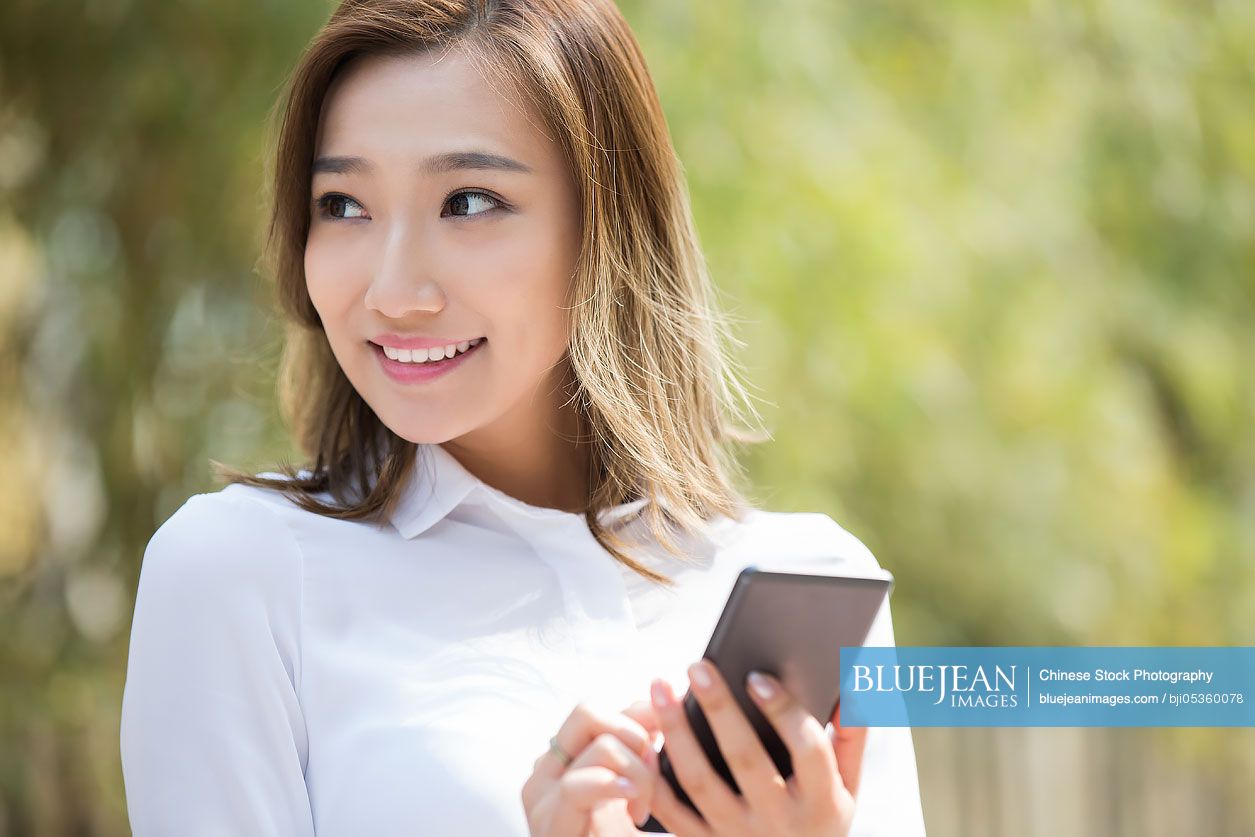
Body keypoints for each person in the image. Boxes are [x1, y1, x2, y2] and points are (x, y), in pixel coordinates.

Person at [118, 1, 928, 834]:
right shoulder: (237, 575)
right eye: (343, 204)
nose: (394, 293)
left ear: (608, 225)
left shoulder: (806, 576)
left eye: (467, 202)